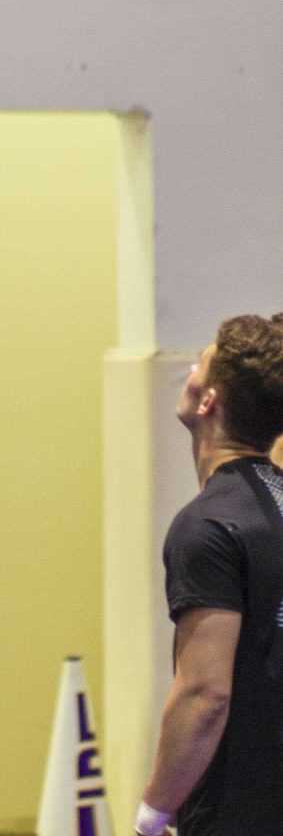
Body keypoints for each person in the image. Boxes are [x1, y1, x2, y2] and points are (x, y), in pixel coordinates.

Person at [138, 314, 283, 836]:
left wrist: (152, 815)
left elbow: (204, 694)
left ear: (208, 400)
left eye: (199, 361)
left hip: (242, 808)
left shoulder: (208, 525)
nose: (190, 369)